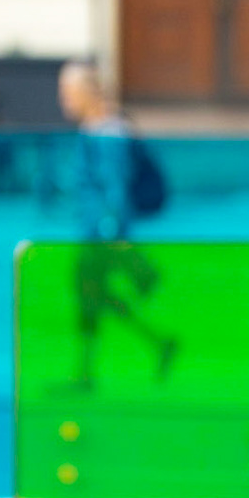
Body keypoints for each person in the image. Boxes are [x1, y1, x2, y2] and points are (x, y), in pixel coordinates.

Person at [57, 61, 178, 391]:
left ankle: (85, 374)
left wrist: (115, 233)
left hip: (101, 233)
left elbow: (116, 186)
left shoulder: (109, 132)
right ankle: (157, 343)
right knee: (91, 296)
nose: (63, 99)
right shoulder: (95, 127)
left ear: (85, 92)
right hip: (93, 229)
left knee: (88, 295)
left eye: (67, 92)